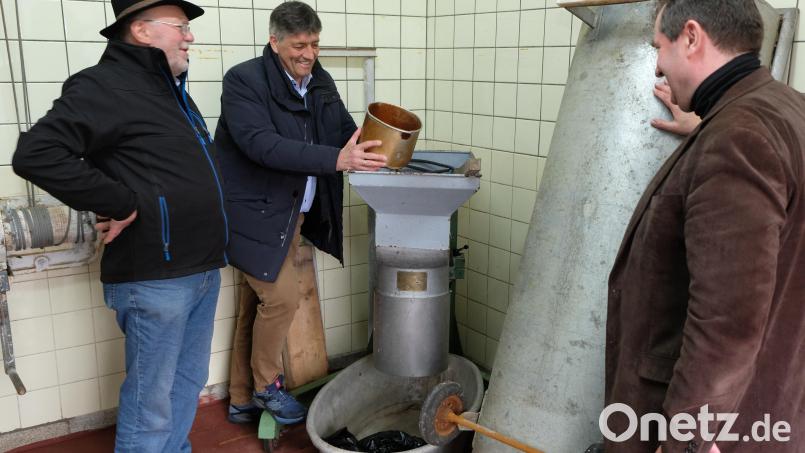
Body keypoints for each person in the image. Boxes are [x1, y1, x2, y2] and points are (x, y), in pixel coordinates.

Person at [12, 1, 227, 451]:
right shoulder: (105, 85)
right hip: (155, 275)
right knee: (152, 402)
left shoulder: (171, 92)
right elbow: (37, 153)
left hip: (201, 269)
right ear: (142, 31)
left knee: (186, 385)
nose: (190, 37)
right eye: (181, 28)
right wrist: (119, 202)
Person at [605, 0, 805, 452]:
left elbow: (726, 323)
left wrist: (685, 439)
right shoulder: (787, 111)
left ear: (691, 37)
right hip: (773, 406)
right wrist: (703, 132)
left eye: (660, 46)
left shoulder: (737, 140)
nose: (657, 66)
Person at [214, 1, 385, 425]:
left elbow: (342, 128)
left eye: (314, 43)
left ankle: (240, 397)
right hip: (253, 214)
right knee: (282, 298)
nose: (308, 53)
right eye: (298, 45)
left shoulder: (318, 79)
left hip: (291, 214)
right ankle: (265, 386)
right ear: (274, 42)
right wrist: (338, 161)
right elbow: (261, 145)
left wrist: (376, 145)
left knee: (256, 303)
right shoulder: (244, 81)